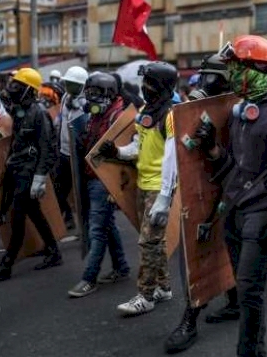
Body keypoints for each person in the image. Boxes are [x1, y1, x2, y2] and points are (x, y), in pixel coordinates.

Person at [191, 35, 267, 357]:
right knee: (244, 287)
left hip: (263, 212)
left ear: (256, 69)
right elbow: (235, 166)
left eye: (234, 68)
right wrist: (212, 148)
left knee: (249, 290)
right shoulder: (239, 111)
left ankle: (249, 352)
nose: (229, 76)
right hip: (235, 208)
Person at [165, 53, 236, 354]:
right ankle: (192, 316)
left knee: (226, 247)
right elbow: (177, 153)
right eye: (204, 76)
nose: (205, 84)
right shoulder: (192, 113)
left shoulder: (243, 111)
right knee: (200, 249)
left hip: (237, 190)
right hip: (204, 191)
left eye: (213, 78)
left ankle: (231, 303)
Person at [100, 61, 178, 316]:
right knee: (156, 241)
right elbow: (138, 146)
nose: (145, 88)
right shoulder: (145, 111)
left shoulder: (170, 116)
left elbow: (172, 159)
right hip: (143, 183)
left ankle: (145, 295)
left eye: (151, 83)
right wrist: (118, 152)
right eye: (144, 82)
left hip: (158, 187)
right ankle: (164, 287)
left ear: (164, 86)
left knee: (148, 242)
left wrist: (165, 199)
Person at [0, 68, 61, 284]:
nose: (13, 90)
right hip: (17, 169)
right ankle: (54, 251)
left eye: (18, 86)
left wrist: (39, 178)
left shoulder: (39, 113)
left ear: (29, 90)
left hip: (29, 172)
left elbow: (47, 147)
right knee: (34, 213)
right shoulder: (18, 109)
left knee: (18, 217)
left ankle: (7, 264)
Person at [67, 72, 130, 298]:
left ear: (109, 94)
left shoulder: (119, 118)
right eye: (89, 92)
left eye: (96, 93)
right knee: (106, 225)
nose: (90, 98)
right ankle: (121, 267)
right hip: (92, 177)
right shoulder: (97, 116)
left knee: (97, 230)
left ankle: (89, 278)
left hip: (104, 181)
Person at [54, 66, 89, 231]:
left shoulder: (87, 102)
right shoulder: (65, 98)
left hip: (78, 156)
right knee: (59, 192)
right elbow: (61, 120)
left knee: (82, 195)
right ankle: (63, 222)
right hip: (63, 153)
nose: (69, 87)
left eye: (74, 84)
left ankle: (86, 228)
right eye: (68, 83)